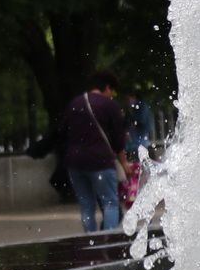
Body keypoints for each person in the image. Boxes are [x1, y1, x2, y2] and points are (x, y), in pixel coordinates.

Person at [61, 70, 128, 232]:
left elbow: (63, 133)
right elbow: (119, 141)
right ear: (106, 87)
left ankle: (90, 239)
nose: (111, 94)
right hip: (101, 162)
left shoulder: (74, 104)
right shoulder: (109, 105)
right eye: (111, 90)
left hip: (75, 163)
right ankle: (108, 237)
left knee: (86, 205)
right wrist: (125, 164)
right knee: (110, 202)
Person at [123, 89, 154, 159]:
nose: (127, 102)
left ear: (133, 97)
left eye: (128, 99)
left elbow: (141, 120)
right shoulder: (133, 107)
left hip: (141, 136)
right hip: (135, 139)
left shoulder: (142, 106)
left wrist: (131, 114)